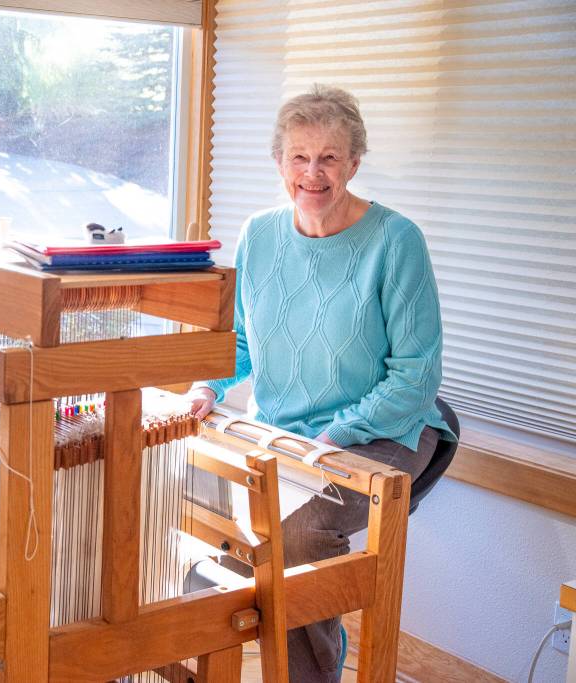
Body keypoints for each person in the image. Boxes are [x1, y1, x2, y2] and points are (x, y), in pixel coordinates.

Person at [188, 84, 455, 681]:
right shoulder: (259, 234)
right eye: (299, 157)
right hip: (286, 429)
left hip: (386, 428)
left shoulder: (395, 240)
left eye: (330, 157)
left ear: (354, 163)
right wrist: (206, 387)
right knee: (209, 508)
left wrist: (339, 433)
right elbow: (240, 340)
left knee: (299, 538)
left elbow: (416, 376)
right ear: (279, 163)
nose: (313, 173)